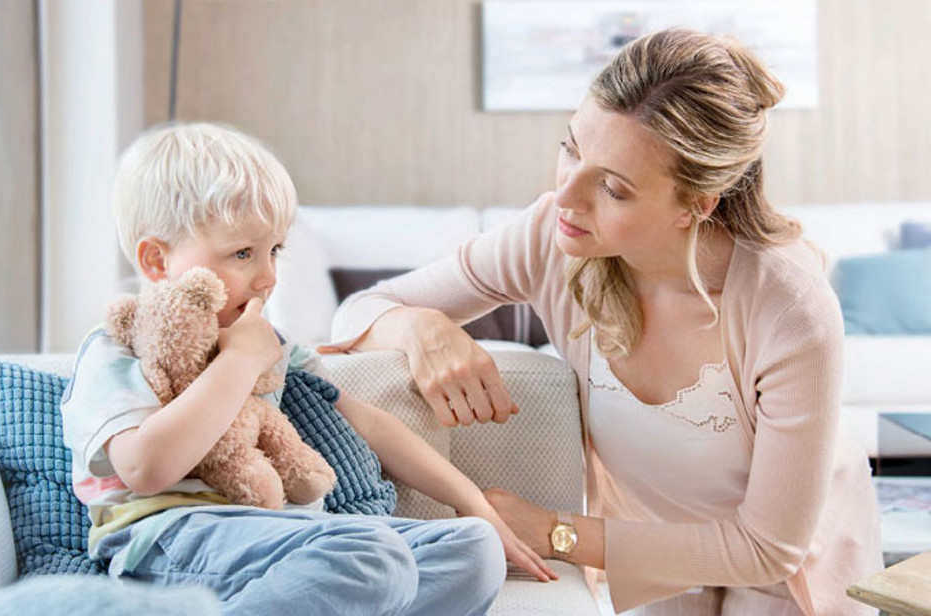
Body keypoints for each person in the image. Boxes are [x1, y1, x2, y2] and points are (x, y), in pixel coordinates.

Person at [328, 29, 881, 615]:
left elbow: (768, 549)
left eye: (613, 188)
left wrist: (556, 532)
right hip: (649, 546)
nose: (566, 195)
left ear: (697, 204)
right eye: (571, 149)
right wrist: (423, 329)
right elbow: (356, 314)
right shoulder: (549, 235)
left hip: (791, 568)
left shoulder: (792, 308)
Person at [60, 122, 556, 616]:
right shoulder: (117, 348)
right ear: (156, 260)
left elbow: (370, 425)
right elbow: (145, 468)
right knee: (372, 557)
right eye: (242, 253)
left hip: (282, 533)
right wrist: (239, 360)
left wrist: (474, 504)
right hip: (168, 537)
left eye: (274, 251)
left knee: (473, 550)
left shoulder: (273, 345)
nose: (268, 278)